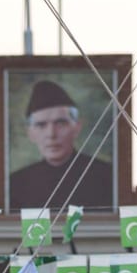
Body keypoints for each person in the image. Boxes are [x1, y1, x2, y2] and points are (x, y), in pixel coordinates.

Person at [9, 79, 112, 210]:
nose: (51, 134)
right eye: (41, 125)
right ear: (30, 133)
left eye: (61, 123)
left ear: (77, 127)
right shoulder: (16, 183)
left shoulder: (106, 176)